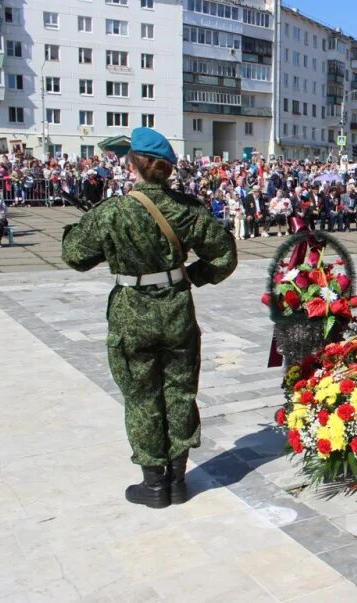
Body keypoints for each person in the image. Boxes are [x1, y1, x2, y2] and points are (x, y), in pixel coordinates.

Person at [61, 128, 238, 509]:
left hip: (132, 311)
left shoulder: (113, 210)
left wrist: (83, 228)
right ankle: (177, 480)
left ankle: (154, 484)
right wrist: (192, 274)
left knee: (142, 396)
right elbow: (224, 257)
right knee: (179, 390)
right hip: (176, 309)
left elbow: (75, 256)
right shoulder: (187, 209)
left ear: (133, 164)